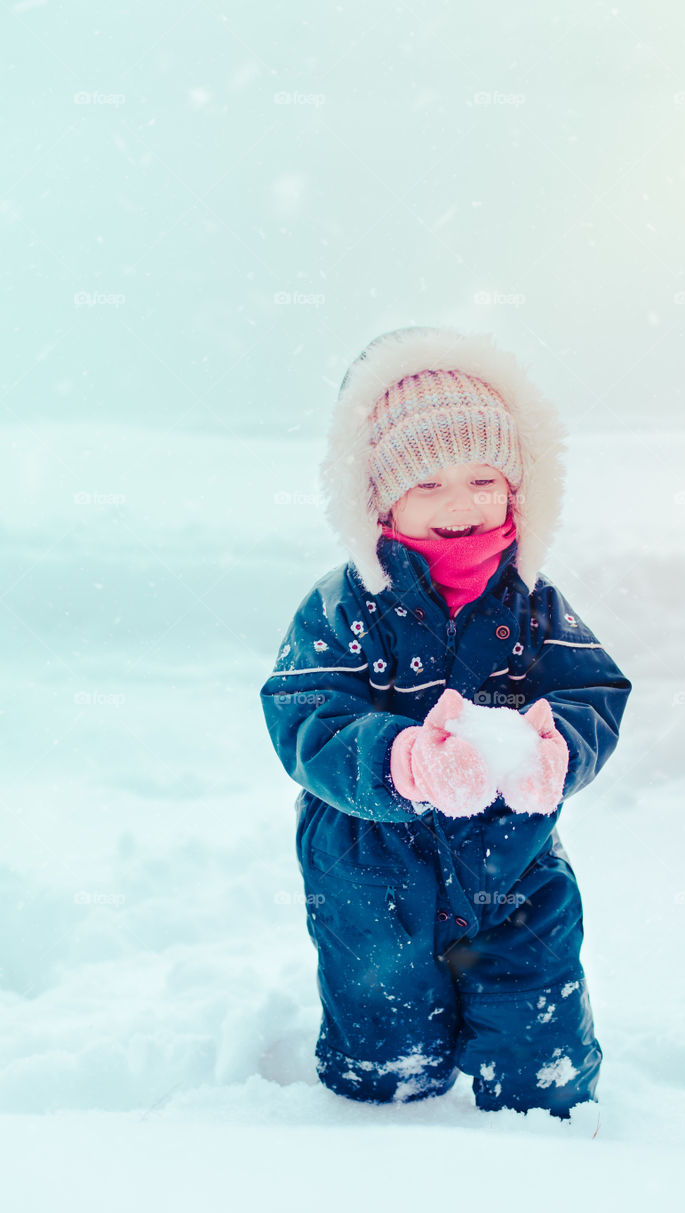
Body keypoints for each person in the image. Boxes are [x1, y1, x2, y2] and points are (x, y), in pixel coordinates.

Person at [260, 325, 632, 1120]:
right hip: (367, 866)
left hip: (513, 857)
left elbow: (593, 688)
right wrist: (399, 759)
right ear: (377, 497)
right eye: (425, 486)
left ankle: (546, 1124)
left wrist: (554, 746)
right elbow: (304, 716)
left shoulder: (531, 604)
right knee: (384, 1044)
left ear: (517, 487)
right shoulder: (343, 605)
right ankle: (382, 1134)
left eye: (481, 478)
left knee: (540, 1039)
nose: (459, 505)